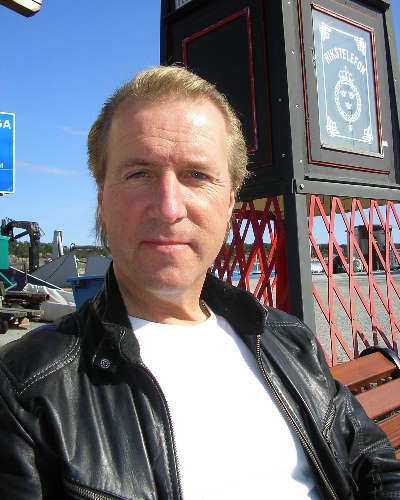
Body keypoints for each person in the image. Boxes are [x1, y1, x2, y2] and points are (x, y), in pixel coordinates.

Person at [0, 66, 399, 499]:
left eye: (196, 175)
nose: (169, 208)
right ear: (102, 199)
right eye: (139, 174)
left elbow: (370, 461)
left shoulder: (289, 340)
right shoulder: (25, 392)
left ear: (229, 203)